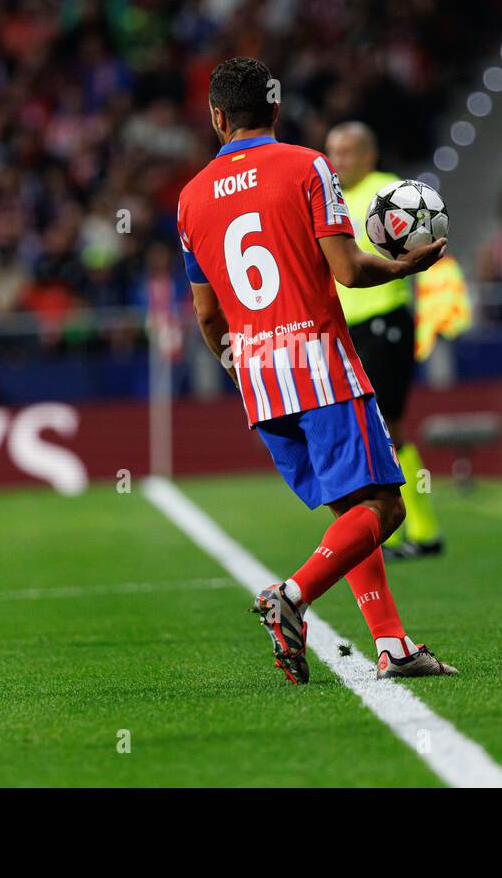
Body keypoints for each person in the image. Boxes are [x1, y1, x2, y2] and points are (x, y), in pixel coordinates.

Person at [176, 57, 458, 683]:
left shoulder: (190, 197)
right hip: (321, 367)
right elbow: (350, 270)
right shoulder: (307, 165)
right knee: (386, 509)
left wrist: (240, 366)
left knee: (351, 511)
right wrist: (406, 268)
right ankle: (291, 598)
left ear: (218, 118)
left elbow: (205, 315)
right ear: (274, 110)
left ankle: (393, 644)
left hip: (260, 379)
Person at [326, 121, 444, 558]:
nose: (339, 160)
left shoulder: (390, 193)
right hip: (346, 329)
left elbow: (417, 246)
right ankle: (399, 529)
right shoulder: (329, 197)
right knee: (371, 429)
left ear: (370, 155)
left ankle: (419, 530)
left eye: (349, 151)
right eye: (333, 151)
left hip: (384, 321)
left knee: (387, 427)